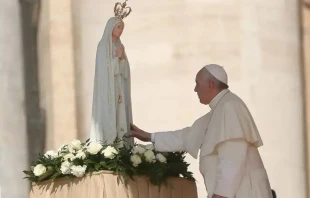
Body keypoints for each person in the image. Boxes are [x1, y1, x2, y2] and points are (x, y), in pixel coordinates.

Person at [131, 64, 273, 198]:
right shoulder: (220, 109)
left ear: (210, 84)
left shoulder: (229, 107)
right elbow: (186, 136)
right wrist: (150, 136)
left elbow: (233, 159)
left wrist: (220, 195)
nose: (195, 89)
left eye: (197, 84)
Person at [90, 1, 133, 148]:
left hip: (119, 86)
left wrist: (121, 59)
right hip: (108, 88)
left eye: (122, 28)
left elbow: (125, 70)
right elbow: (103, 69)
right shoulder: (103, 46)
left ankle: (121, 146)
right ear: (111, 27)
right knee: (110, 116)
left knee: (120, 115)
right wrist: (116, 59)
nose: (121, 30)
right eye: (119, 27)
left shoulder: (119, 46)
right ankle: (108, 146)